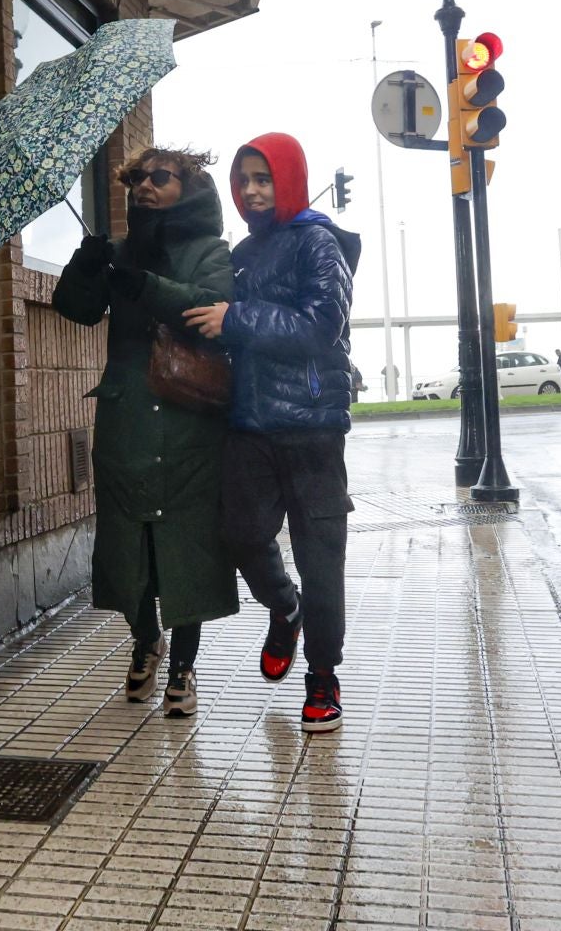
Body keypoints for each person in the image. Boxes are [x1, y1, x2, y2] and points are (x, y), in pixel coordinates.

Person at [182, 133, 360, 734]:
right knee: (240, 534)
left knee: (321, 558)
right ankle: (286, 610)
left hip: (313, 427)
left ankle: (323, 677)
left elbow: (320, 326)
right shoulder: (242, 252)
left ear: (289, 180)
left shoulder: (319, 243)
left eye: (263, 179)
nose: (252, 192)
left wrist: (236, 318)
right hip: (249, 423)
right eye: (243, 182)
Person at [51, 147, 237, 718]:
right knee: (128, 538)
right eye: (136, 179)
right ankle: (144, 638)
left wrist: (146, 285)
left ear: (190, 186)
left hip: (188, 417)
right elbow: (75, 309)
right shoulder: (117, 251)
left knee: (187, 544)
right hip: (128, 415)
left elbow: (211, 305)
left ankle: (182, 663)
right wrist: (84, 268)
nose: (144, 187)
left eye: (160, 177)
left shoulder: (210, 250)